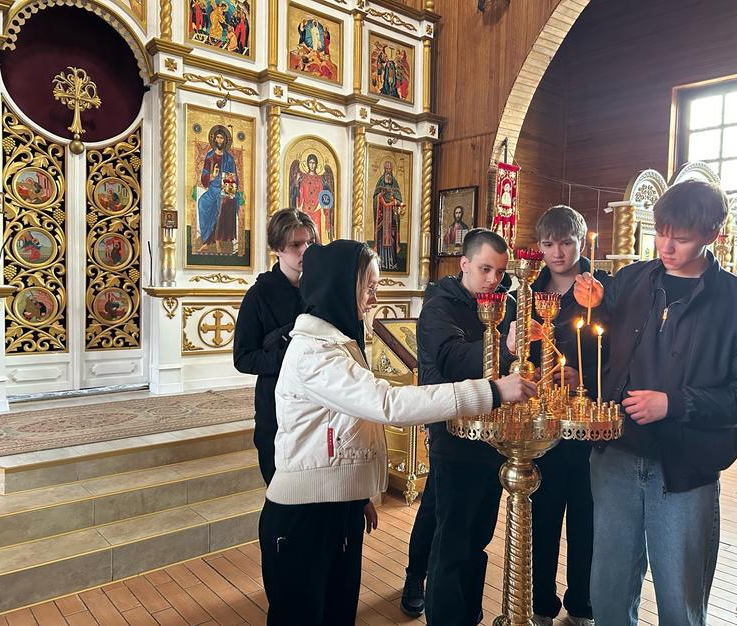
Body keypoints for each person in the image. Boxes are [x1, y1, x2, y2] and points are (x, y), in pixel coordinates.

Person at [258, 239, 537, 626]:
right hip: (304, 515)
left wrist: (356, 495)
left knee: (337, 615)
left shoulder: (338, 344)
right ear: (340, 286)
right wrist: (491, 392)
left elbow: (342, 431)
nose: (374, 299)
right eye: (369, 288)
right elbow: (387, 404)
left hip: (336, 506)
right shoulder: (313, 353)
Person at [574, 180, 737, 626]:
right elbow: (595, 347)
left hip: (685, 468)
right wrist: (588, 309)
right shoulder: (631, 280)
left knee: (679, 598)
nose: (666, 247)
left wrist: (675, 404)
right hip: (615, 455)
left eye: (680, 238)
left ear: (712, 234)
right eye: (660, 233)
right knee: (608, 589)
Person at [411, 229, 523, 626]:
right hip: (453, 432)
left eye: (500, 272)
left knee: (478, 537)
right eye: (485, 269)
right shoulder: (439, 306)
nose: (493, 279)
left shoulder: (507, 302)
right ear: (464, 264)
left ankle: (469, 615)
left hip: (493, 435)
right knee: (453, 539)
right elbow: (452, 359)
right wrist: (507, 348)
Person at [506, 206, 610, 626]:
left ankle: (583, 603)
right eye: (549, 244)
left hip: (586, 423)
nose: (558, 253)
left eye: (566, 243)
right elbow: (514, 352)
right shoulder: (527, 293)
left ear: (581, 242)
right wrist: (529, 367)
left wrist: (584, 378)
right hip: (542, 422)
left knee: (587, 517)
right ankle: (541, 604)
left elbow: (616, 352)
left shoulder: (603, 291)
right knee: (542, 516)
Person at [233, 209, 317, 485]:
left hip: (316, 404)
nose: (305, 251)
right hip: (275, 405)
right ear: (277, 248)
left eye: (310, 243)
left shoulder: (321, 291)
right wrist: (291, 357)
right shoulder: (259, 295)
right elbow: (243, 358)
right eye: (296, 244)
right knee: (280, 488)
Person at [197, 125, 240, 253]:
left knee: (222, 205)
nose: (220, 140)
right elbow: (204, 177)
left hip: (224, 189)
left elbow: (232, 178)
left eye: (222, 138)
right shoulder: (210, 156)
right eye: (218, 137)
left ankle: (218, 241)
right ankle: (206, 240)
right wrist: (212, 176)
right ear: (214, 139)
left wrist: (227, 192)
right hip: (212, 189)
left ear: (225, 140)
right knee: (202, 203)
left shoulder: (229, 158)